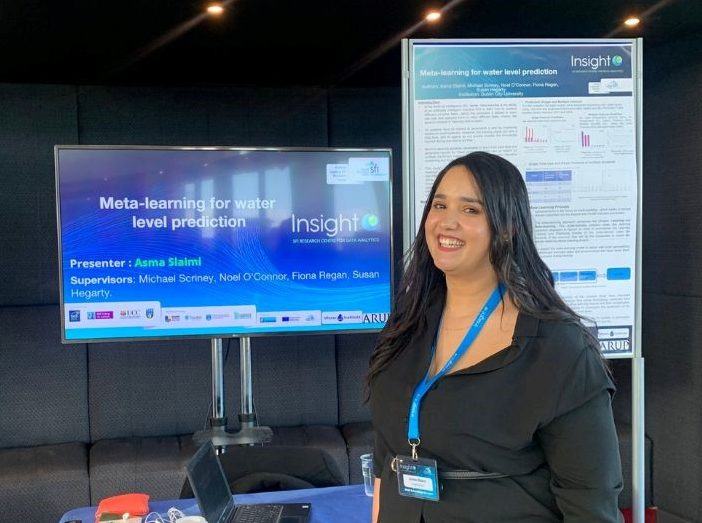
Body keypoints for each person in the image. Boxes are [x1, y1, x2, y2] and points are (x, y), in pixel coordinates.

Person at [367, 152, 623, 522]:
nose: (447, 222)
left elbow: (591, 503)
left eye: (471, 210)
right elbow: (385, 457)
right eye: (439, 205)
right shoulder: (407, 326)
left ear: (507, 227)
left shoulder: (558, 349)